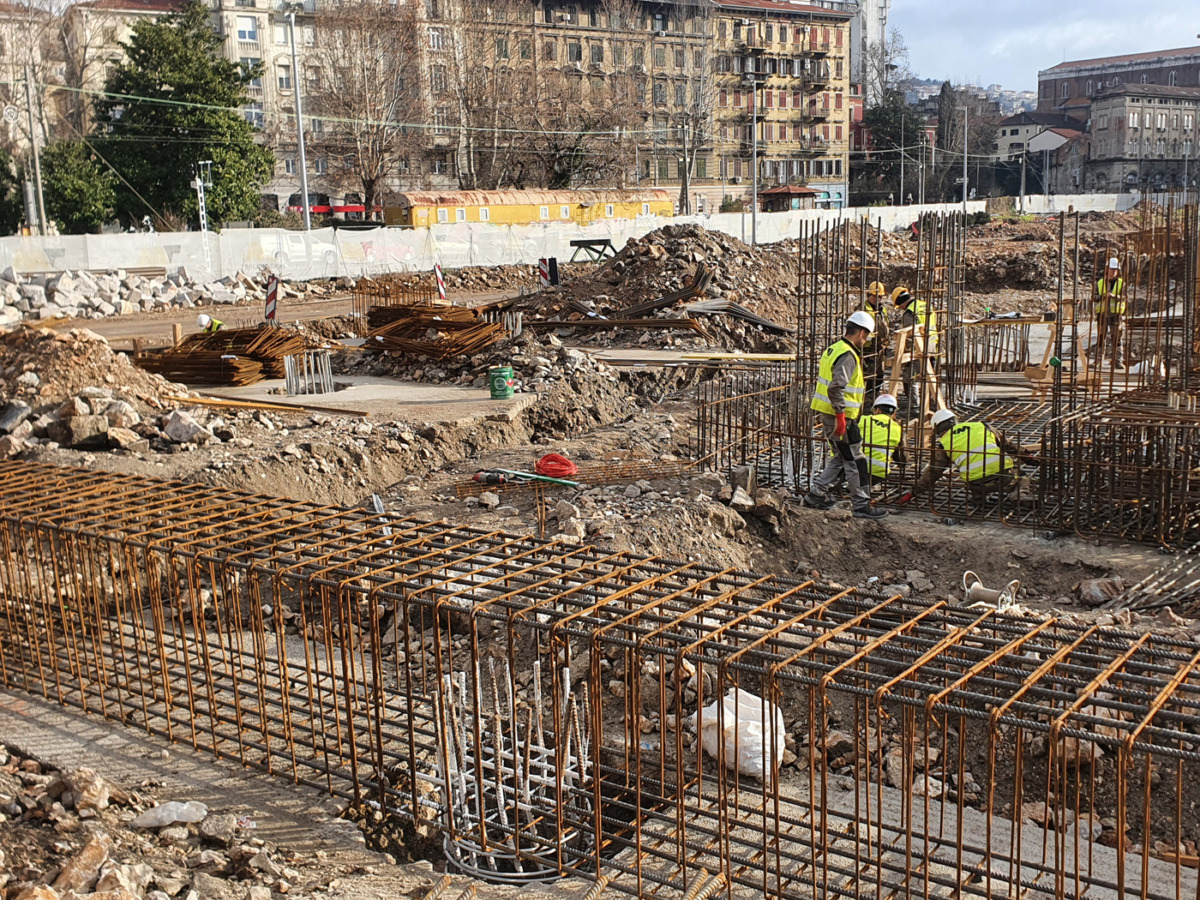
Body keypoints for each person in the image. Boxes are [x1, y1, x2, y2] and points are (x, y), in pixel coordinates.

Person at [804, 311, 888, 520]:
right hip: (841, 418)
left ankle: (816, 494)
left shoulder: (833, 349)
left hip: (829, 414)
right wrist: (841, 414)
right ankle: (861, 505)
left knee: (841, 457)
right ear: (861, 333)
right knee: (855, 460)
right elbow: (836, 387)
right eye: (866, 336)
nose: (866, 340)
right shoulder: (848, 355)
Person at [900, 409, 1022, 506]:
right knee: (1021, 477)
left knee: (972, 475)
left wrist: (915, 491)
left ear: (939, 430)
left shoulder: (944, 443)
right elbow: (1008, 446)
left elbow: (934, 471)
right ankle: (1020, 495)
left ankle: (979, 499)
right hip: (1003, 477)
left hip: (977, 484)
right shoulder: (982, 426)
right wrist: (1029, 457)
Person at [892, 285, 939, 416]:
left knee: (909, 377)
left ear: (901, 301)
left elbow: (909, 335)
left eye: (899, 306)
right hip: (932, 346)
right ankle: (931, 405)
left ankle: (915, 408)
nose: (901, 309)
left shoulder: (909, 312)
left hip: (918, 348)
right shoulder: (925, 305)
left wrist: (903, 351)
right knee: (928, 377)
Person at [860, 394, 906, 488]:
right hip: (878, 475)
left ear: (877, 410)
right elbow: (902, 459)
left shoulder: (863, 419)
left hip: (855, 471)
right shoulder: (898, 429)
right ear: (894, 413)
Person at [1094, 256, 1126, 369]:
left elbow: (1124, 297)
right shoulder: (1100, 283)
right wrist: (1102, 297)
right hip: (1102, 315)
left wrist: (1113, 296)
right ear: (1107, 269)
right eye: (1111, 269)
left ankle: (1118, 360)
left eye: (1115, 270)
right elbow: (1094, 297)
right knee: (1100, 338)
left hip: (1116, 315)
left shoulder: (1121, 283)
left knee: (1117, 338)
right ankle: (1098, 361)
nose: (1113, 272)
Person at [862, 282, 891, 399]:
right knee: (868, 375)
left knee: (879, 375)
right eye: (874, 296)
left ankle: (873, 397)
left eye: (880, 296)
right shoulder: (863, 309)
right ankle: (866, 400)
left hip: (880, 348)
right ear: (868, 295)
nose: (877, 299)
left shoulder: (882, 309)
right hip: (867, 348)